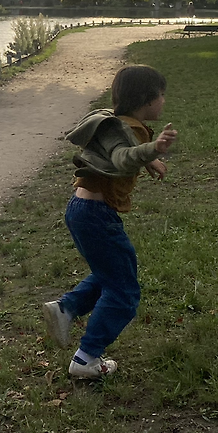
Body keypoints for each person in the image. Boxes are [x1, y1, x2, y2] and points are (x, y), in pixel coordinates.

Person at [41, 65, 177, 379]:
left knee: (114, 272)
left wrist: (148, 158)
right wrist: (153, 149)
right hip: (97, 216)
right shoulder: (134, 130)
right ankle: (86, 358)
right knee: (124, 292)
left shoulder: (112, 122)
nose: (163, 101)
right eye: (161, 95)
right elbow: (121, 157)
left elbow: (117, 151)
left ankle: (66, 309)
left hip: (80, 209)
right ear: (146, 99)